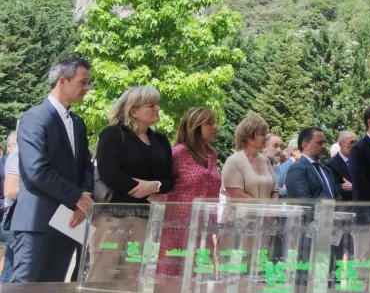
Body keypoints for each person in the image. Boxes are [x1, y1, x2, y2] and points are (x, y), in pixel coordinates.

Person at [10, 57, 94, 283]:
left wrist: (84, 196)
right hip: (37, 222)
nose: (87, 88)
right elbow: (37, 170)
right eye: (83, 82)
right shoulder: (34, 118)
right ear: (63, 81)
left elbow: (86, 165)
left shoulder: (78, 122)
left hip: (69, 221)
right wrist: (78, 197)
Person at [86, 86, 175, 281]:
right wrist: (143, 190)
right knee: (102, 275)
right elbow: (110, 173)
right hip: (112, 218)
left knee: (130, 278)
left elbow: (169, 179)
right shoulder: (112, 134)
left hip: (144, 218)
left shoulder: (160, 140)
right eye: (151, 105)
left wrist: (155, 186)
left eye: (157, 104)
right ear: (133, 112)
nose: (158, 108)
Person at [159, 108, 222, 277]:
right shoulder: (177, 153)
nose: (215, 127)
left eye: (214, 122)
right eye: (209, 123)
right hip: (176, 230)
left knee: (200, 281)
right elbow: (161, 188)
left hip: (204, 230)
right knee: (172, 280)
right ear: (195, 127)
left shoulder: (212, 155)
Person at [222, 115, 279, 201]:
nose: (266, 137)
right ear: (249, 137)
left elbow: (274, 190)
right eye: (262, 134)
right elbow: (236, 194)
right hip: (238, 214)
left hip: (266, 213)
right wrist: (263, 210)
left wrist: (271, 211)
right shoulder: (234, 161)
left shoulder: (266, 161)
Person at [284, 128, 337, 200]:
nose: (324, 146)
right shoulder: (297, 169)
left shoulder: (326, 169)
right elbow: (303, 202)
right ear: (305, 145)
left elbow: (337, 195)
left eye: (324, 142)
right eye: (319, 143)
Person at [1, 128, 19, 283]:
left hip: (15, 215)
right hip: (9, 216)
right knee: (10, 262)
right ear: (9, 146)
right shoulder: (7, 162)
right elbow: (9, 191)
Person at [326, 131, 356, 202]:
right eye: (351, 142)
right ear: (340, 144)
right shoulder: (331, 164)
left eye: (355, 142)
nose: (354, 145)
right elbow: (336, 190)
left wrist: (354, 187)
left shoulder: (361, 161)